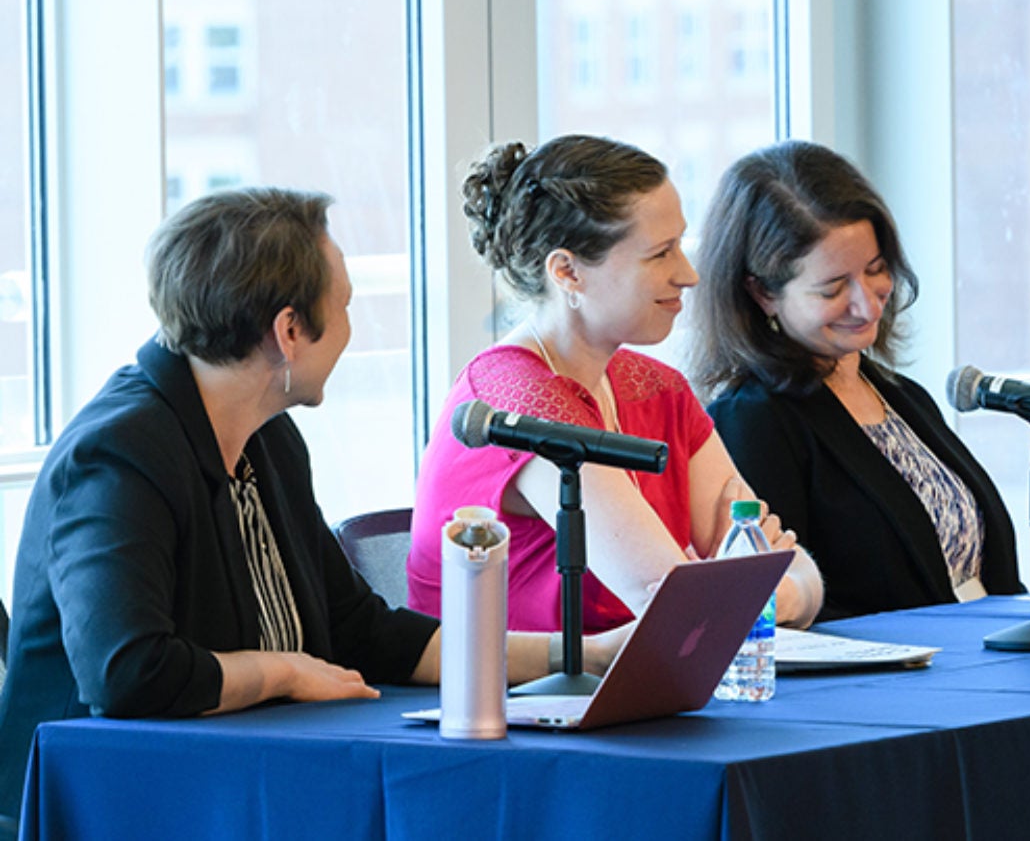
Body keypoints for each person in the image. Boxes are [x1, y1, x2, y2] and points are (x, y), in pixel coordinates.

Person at [0, 188, 622, 825]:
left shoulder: (268, 436)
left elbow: (360, 631)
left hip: (242, 780)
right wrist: (284, 673)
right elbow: (127, 672)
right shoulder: (118, 453)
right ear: (289, 331)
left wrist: (579, 655)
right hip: (113, 802)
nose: (352, 329)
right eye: (346, 305)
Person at [407, 136, 823, 634]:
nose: (688, 274)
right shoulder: (517, 401)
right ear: (567, 272)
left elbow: (798, 576)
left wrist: (760, 589)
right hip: (507, 702)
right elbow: (681, 608)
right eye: (660, 254)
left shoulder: (659, 388)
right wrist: (750, 587)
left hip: (634, 687)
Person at [691, 140, 1023, 621]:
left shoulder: (901, 396)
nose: (867, 304)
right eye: (832, 288)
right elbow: (783, 615)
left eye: (876, 270)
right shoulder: (753, 420)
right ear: (763, 293)